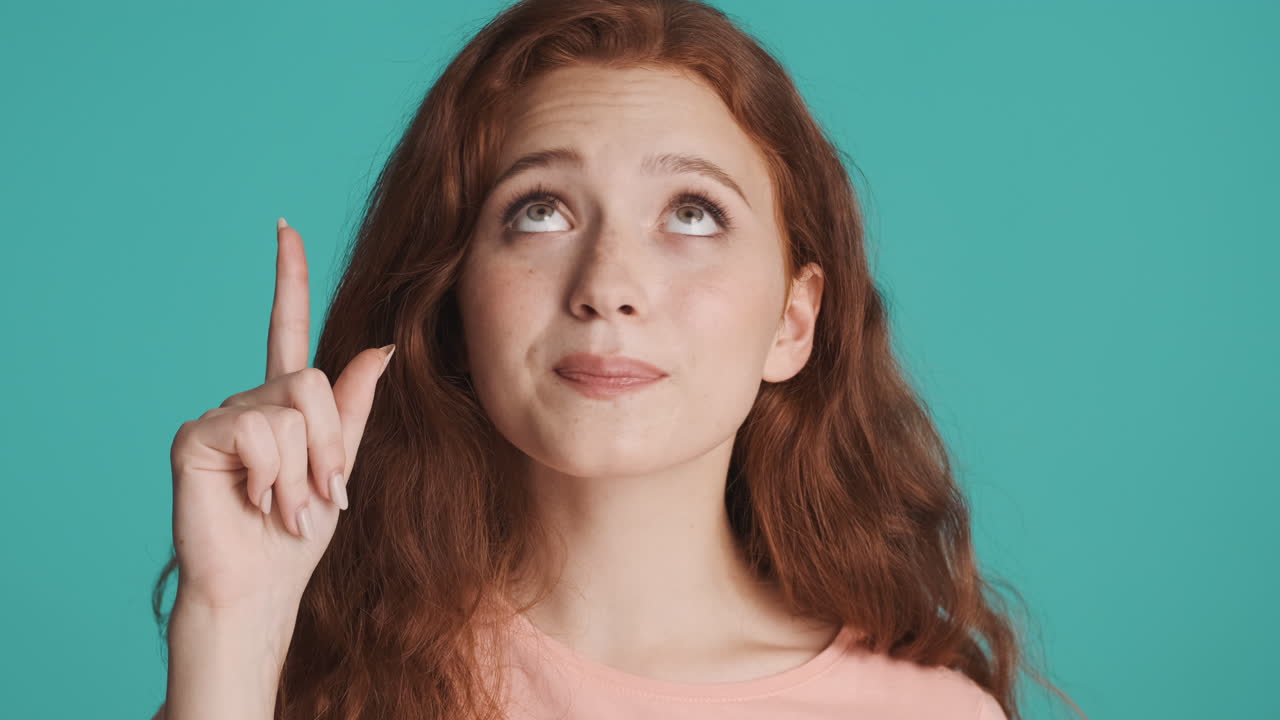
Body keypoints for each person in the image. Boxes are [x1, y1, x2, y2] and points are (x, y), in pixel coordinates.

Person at [150, 1, 1087, 719]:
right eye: (540, 210)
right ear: (453, 303)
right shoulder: (313, 682)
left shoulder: (928, 714)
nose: (607, 284)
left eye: (692, 213)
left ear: (792, 323)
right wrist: (232, 625)